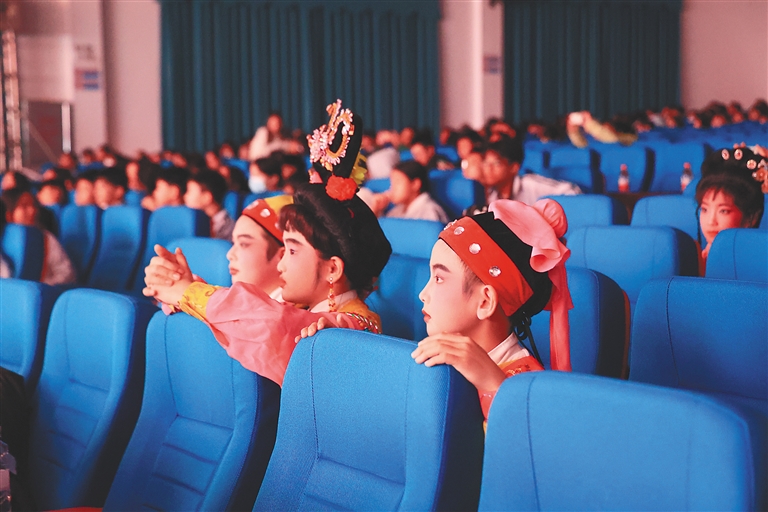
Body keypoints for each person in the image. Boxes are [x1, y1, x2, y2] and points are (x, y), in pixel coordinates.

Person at [143, 99, 392, 387]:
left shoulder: (356, 325)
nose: (282, 264)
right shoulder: (303, 304)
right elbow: (243, 314)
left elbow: (269, 322)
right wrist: (179, 287)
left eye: (292, 250)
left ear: (333, 269)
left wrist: (188, 291)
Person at [412, 199, 573, 419]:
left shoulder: (528, 390)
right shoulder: (444, 359)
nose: (423, 294)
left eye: (439, 278)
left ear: (485, 302)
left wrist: (492, 385)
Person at [696, 147, 765, 268]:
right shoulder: (693, 258)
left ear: (751, 217)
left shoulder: (760, 264)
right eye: (705, 209)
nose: (711, 221)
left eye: (723, 211)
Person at [1, 188, 76, 285]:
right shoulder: (4, 236)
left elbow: (68, 274)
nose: (32, 211)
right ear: (9, 214)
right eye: (24, 206)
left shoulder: (45, 238)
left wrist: (42, 285)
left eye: (34, 205)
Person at [484, 136, 581, 205]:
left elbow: (571, 191)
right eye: (486, 163)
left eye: (496, 164)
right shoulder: (491, 193)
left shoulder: (530, 184)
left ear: (514, 167)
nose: (488, 169)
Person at [373, 161, 449, 223]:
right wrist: (376, 211)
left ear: (415, 184)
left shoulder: (430, 212)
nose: (391, 188)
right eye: (392, 183)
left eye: (397, 182)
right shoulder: (397, 211)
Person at [184, 170, 236, 241]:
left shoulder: (226, 227)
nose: (185, 196)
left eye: (189, 191)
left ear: (207, 197)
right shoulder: (195, 222)